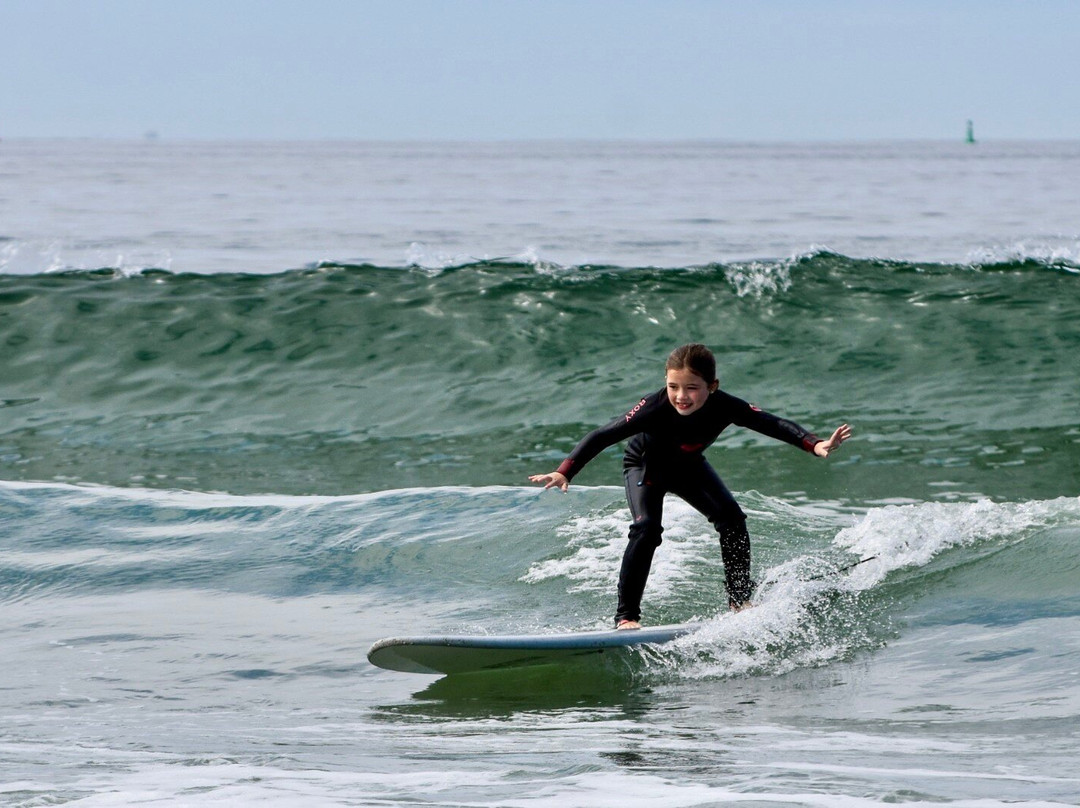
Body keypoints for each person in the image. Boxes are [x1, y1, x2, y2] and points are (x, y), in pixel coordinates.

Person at [530, 343, 851, 630]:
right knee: (646, 529)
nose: (681, 396)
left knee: (733, 521)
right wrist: (565, 471)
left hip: (688, 466)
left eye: (692, 388)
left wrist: (814, 444)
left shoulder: (725, 405)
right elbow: (603, 435)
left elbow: (770, 422)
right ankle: (626, 617)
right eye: (673, 386)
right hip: (645, 465)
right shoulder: (653, 407)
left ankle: (740, 601)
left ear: (712, 386)